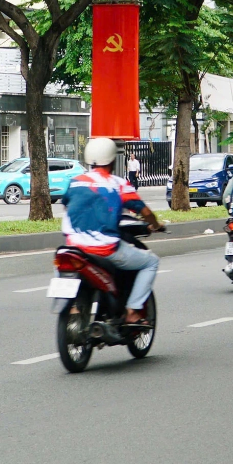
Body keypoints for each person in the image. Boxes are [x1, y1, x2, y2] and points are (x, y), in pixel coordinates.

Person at [61, 138, 164, 325]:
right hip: (105, 250)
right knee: (151, 262)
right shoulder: (117, 184)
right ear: (113, 160)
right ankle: (133, 311)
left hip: (73, 249)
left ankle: (74, 307)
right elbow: (145, 211)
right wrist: (155, 224)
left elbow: (68, 205)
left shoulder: (75, 182)